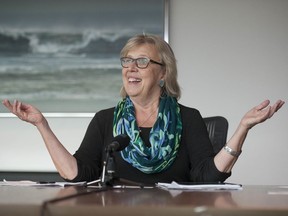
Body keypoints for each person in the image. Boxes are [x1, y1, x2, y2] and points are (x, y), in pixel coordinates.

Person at [2, 34, 285, 185]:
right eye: (127, 61)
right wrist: (42, 125)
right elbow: (78, 173)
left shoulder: (188, 118)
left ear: (163, 74)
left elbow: (207, 176)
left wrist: (242, 128)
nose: (131, 69)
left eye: (142, 62)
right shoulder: (105, 120)